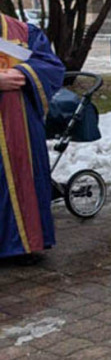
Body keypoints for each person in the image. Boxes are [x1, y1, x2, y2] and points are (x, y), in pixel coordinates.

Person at [0, 13, 65, 260]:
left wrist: (23, 73)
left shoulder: (25, 33)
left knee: (22, 179)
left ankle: (25, 244)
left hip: (20, 128)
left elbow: (51, 66)